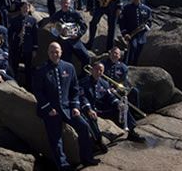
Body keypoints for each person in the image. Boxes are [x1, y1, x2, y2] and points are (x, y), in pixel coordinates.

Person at [32, 42, 99, 170]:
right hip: (50, 110)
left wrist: (75, 107)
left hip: (68, 108)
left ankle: (87, 158)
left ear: (61, 52)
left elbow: (75, 89)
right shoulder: (41, 70)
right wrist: (48, 108)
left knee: (84, 127)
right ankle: (63, 166)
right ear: (48, 53)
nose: (54, 54)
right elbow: (38, 92)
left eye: (57, 51)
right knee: (56, 138)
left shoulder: (69, 67)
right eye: (52, 52)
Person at [79, 62, 145, 144]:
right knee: (91, 118)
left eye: (101, 70)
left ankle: (131, 132)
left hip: (103, 108)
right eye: (96, 69)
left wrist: (118, 103)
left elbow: (110, 97)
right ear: (91, 70)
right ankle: (97, 141)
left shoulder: (104, 83)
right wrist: (89, 109)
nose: (99, 72)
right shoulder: (83, 82)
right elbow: (82, 98)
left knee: (122, 109)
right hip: (90, 109)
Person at [50, 0, 90, 70]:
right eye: (63, 3)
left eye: (67, 3)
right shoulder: (56, 15)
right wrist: (59, 32)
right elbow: (52, 29)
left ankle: (84, 76)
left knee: (86, 57)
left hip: (75, 41)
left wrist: (78, 34)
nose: (65, 5)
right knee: (66, 61)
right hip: (63, 42)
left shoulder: (75, 14)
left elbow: (84, 26)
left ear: (69, 4)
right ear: (60, 4)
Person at [7, 1, 38, 88]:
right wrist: (16, 37)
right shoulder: (14, 20)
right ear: (20, 8)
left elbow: (35, 35)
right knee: (14, 66)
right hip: (16, 47)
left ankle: (28, 86)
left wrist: (35, 49)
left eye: (27, 7)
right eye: (24, 7)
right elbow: (9, 35)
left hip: (28, 48)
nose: (25, 9)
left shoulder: (33, 20)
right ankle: (14, 84)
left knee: (28, 68)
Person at [102, 46, 141, 112]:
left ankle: (135, 112)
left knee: (134, 91)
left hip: (118, 89)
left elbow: (124, 81)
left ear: (119, 56)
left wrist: (117, 90)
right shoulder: (103, 64)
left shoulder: (123, 67)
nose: (115, 55)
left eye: (117, 54)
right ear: (110, 54)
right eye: (113, 53)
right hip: (105, 89)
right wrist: (108, 87)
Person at [118, 0, 152, 65]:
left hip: (141, 36)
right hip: (130, 35)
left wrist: (145, 27)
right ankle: (128, 66)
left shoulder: (147, 9)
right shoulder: (126, 8)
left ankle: (135, 67)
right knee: (131, 50)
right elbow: (121, 22)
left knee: (138, 53)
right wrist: (124, 33)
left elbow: (149, 21)